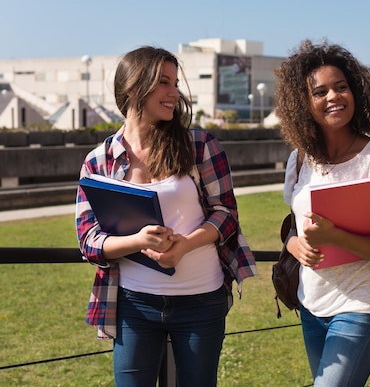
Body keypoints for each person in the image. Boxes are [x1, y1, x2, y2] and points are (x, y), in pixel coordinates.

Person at [75, 46, 257, 386]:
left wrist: (184, 245)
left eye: (175, 83)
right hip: (133, 303)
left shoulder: (200, 144)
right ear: (132, 89)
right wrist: (138, 241)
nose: (174, 93)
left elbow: (226, 215)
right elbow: (89, 242)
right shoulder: (98, 160)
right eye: (163, 83)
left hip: (201, 300)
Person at [274, 39, 370, 386]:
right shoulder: (299, 159)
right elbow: (293, 226)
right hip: (311, 304)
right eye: (320, 92)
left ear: (356, 92)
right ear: (304, 103)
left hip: (362, 306)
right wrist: (293, 246)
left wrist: (336, 236)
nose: (333, 97)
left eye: (341, 87)